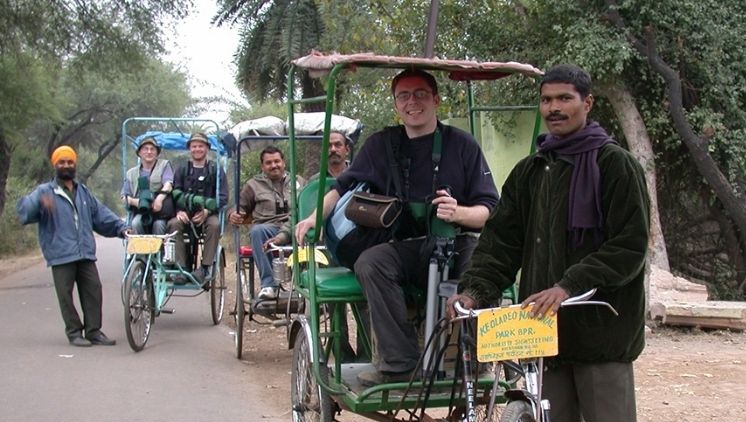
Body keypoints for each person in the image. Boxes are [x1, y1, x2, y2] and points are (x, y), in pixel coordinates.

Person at [448, 64, 649, 422]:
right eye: (547, 100)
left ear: (587, 103)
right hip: (544, 336)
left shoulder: (615, 165)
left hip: (602, 332)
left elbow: (629, 247)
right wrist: (475, 290)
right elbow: (501, 243)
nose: (554, 108)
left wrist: (569, 284)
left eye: (564, 99)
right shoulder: (531, 171)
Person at [296, 68, 499, 386]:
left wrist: (458, 212)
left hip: (454, 243)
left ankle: (470, 359)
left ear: (436, 99)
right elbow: (340, 188)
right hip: (403, 247)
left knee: (484, 263)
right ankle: (399, 363)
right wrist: (313, 218)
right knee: (371, 262)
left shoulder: (463, 144)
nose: (412, 102)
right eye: (403, 96)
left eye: (420, 94)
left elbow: (488, 210)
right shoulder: (380, 145)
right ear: (395, 104)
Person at [17, 145, 132, 347]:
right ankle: (74, 333)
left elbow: (101, 215)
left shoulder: (83, 192)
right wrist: (40, 204)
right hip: (61, 253)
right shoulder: (45, 191)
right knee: (65, 295)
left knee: (93, 290)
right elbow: (25, 211)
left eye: (70, 162)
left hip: (85, 251)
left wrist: (121, 228)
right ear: (55, 165)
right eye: (62, 162)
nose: (66, 165)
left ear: (74, 165)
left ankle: (94, 332)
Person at [228, 145, 300, 299]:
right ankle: (269, 284)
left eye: (277, 161)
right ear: (262, 166)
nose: (274, 165)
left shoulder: (297, 181)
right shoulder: (253, 184)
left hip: (294, 227)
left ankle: (303, 283)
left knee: (309, 229)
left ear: (283, 163)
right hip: (268, 229)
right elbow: (240, 206)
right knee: (257, 231)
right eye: (269, 163)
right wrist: (234, 214)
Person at [167, 132, 228, 284]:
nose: (197, 149)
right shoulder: (181, 169)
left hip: (208, 214)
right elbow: (175, 193)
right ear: (190, 149)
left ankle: (205, 268)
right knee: (173, 224)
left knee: (215, 225)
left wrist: (207, 211)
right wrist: (179, 211)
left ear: (207, 148)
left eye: (201, 146)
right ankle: (182, 269)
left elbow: (223, 197)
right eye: (194, 146)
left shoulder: (216, 170)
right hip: (185, 213)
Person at [121, 136, 174, 235]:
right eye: (145, 149)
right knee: (136, 223)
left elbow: (169, 184)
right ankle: (141, 245)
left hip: (160, 212)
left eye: (152, 149)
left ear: (157, 153)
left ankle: (159, 246)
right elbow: (124, 197)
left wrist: (159, 199)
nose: (149, 152)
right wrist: (136, 202)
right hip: (141, 211)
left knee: (159, 225)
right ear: (140, 153)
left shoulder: (164, 165)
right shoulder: (131, 173)